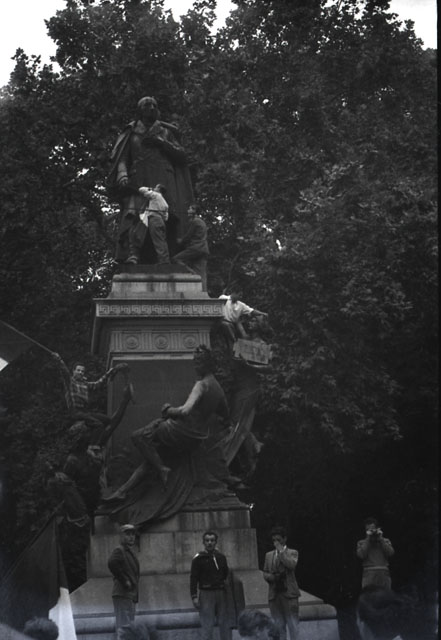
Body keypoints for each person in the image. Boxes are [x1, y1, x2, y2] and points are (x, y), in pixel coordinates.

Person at [104, 346, 230, 499]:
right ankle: (122, 491)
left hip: (180, 430)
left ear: (207, 364)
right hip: (196, 436)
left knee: (138, 437)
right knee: (152, 458)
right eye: (195, 363)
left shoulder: (202, 385)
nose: (196, 367)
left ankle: (163, 469)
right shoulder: (218, 388)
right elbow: (225, 416)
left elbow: (185, 411)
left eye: (198, 363)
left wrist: (169, 410)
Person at [108, 96, 194, 263]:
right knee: (135, 215)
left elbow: (182, 156)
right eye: (147, 105)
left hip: (164, 180)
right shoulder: (132, 131)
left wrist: (162, 143)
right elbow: (122, 157)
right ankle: (134, 255)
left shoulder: (165, 132)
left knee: (167, 216)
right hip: (138, 180)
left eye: (155, 105)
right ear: (140, 110)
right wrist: (122, 173)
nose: (152, 108)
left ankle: (167, 257)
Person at [52, 353, 131, 431]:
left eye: (82, 371)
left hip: (85, 412)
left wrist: (109, 373)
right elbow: (64, 371)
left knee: (107, 420)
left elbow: (98, 384)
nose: (80, 372)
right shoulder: (70, 382)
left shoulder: (85, 384)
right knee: (98, 424)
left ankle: (86, 426)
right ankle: (91, 437)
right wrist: (59, 359)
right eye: (78, 370)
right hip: (75, 412)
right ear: (73, 371)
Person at [190, 531, 232, 640]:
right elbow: (193, 578)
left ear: (216, 542)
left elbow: (225, 573)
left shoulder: (221, 557)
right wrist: (194, 596)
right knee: (207, 624)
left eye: (212, 540)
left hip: (221, 593)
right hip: (206, 593)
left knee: (224, 623)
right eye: (207, 540)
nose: (209, 543)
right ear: (203, 542)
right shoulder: (198, 558)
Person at [263, 526, 300, 640]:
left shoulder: (292, 552)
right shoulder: (269, 555)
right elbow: (265, 572)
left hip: (289, 594)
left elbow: (291, 565)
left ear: (285, 539)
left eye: (278, 540)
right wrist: (272, 577)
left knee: (293, 625)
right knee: (279, 627)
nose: (276, 542)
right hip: (274, 594)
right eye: (274, 540)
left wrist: (281, 552)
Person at [108, 524, 140, 637]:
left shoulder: (129, 552)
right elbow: (112, 563)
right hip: (122, 594)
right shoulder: (119, 550)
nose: (131, 537)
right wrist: (125, 580)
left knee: (128, 627)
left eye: (133, 534)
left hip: (129, 595)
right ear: (121, 536)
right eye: (128, 534)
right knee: (124, 627)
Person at [126, 183, 170, 265]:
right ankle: (165, 259)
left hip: (154, 219)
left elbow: (141, 189)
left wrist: (150, 188)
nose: (154, 188)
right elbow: (166, 217)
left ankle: (163, 261)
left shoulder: (155, 195)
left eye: (156, 187)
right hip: (161, 221)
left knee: (157, 240)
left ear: (159, 189)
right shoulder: (165, 203)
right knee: (162, 240)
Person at [172, 203, 209, 290]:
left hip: (196, 248)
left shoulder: (195, 221)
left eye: (190, 209)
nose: (188, 211)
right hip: (204, 249)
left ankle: (192, 273)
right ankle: (203, 292)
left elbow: (188, 236)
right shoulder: (202, 222)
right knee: (202, 274)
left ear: (194, 211)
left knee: (176, 259)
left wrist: (180, 241)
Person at [356, 518, 394, 590]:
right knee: (368, 595)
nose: (371, 532)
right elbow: (361, 555)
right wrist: (368, 539)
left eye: (372, 529)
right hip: (369, 572)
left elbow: (390, 553)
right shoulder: (361, 543)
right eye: (368, 530)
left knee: (386, 595)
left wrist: (381, 539)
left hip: (383, 572)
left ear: (377, 529)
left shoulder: (386, 541)